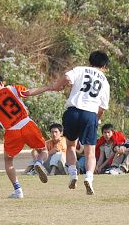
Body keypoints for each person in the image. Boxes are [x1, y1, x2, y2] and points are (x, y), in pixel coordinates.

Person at [39, 51, 111, 195]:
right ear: (104, 66)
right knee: (90, 151)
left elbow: (67, 77)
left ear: (90, 62)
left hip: (72, 112)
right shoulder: (104, 80)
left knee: (71, 145)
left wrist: (57, 85)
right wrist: (96, 119)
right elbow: (102, 107)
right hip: (90, 114)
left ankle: (73, 174)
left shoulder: (80, 69)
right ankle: (89, 178)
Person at [0, 73, 52, 199]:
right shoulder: (11, 88)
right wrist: (48, 87)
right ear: (1, 83)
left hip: (11, 132)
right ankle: (38, 162)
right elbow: (29, 92)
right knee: (43, 150)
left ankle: (18, 190)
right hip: (26, 124)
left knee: (8, 161)